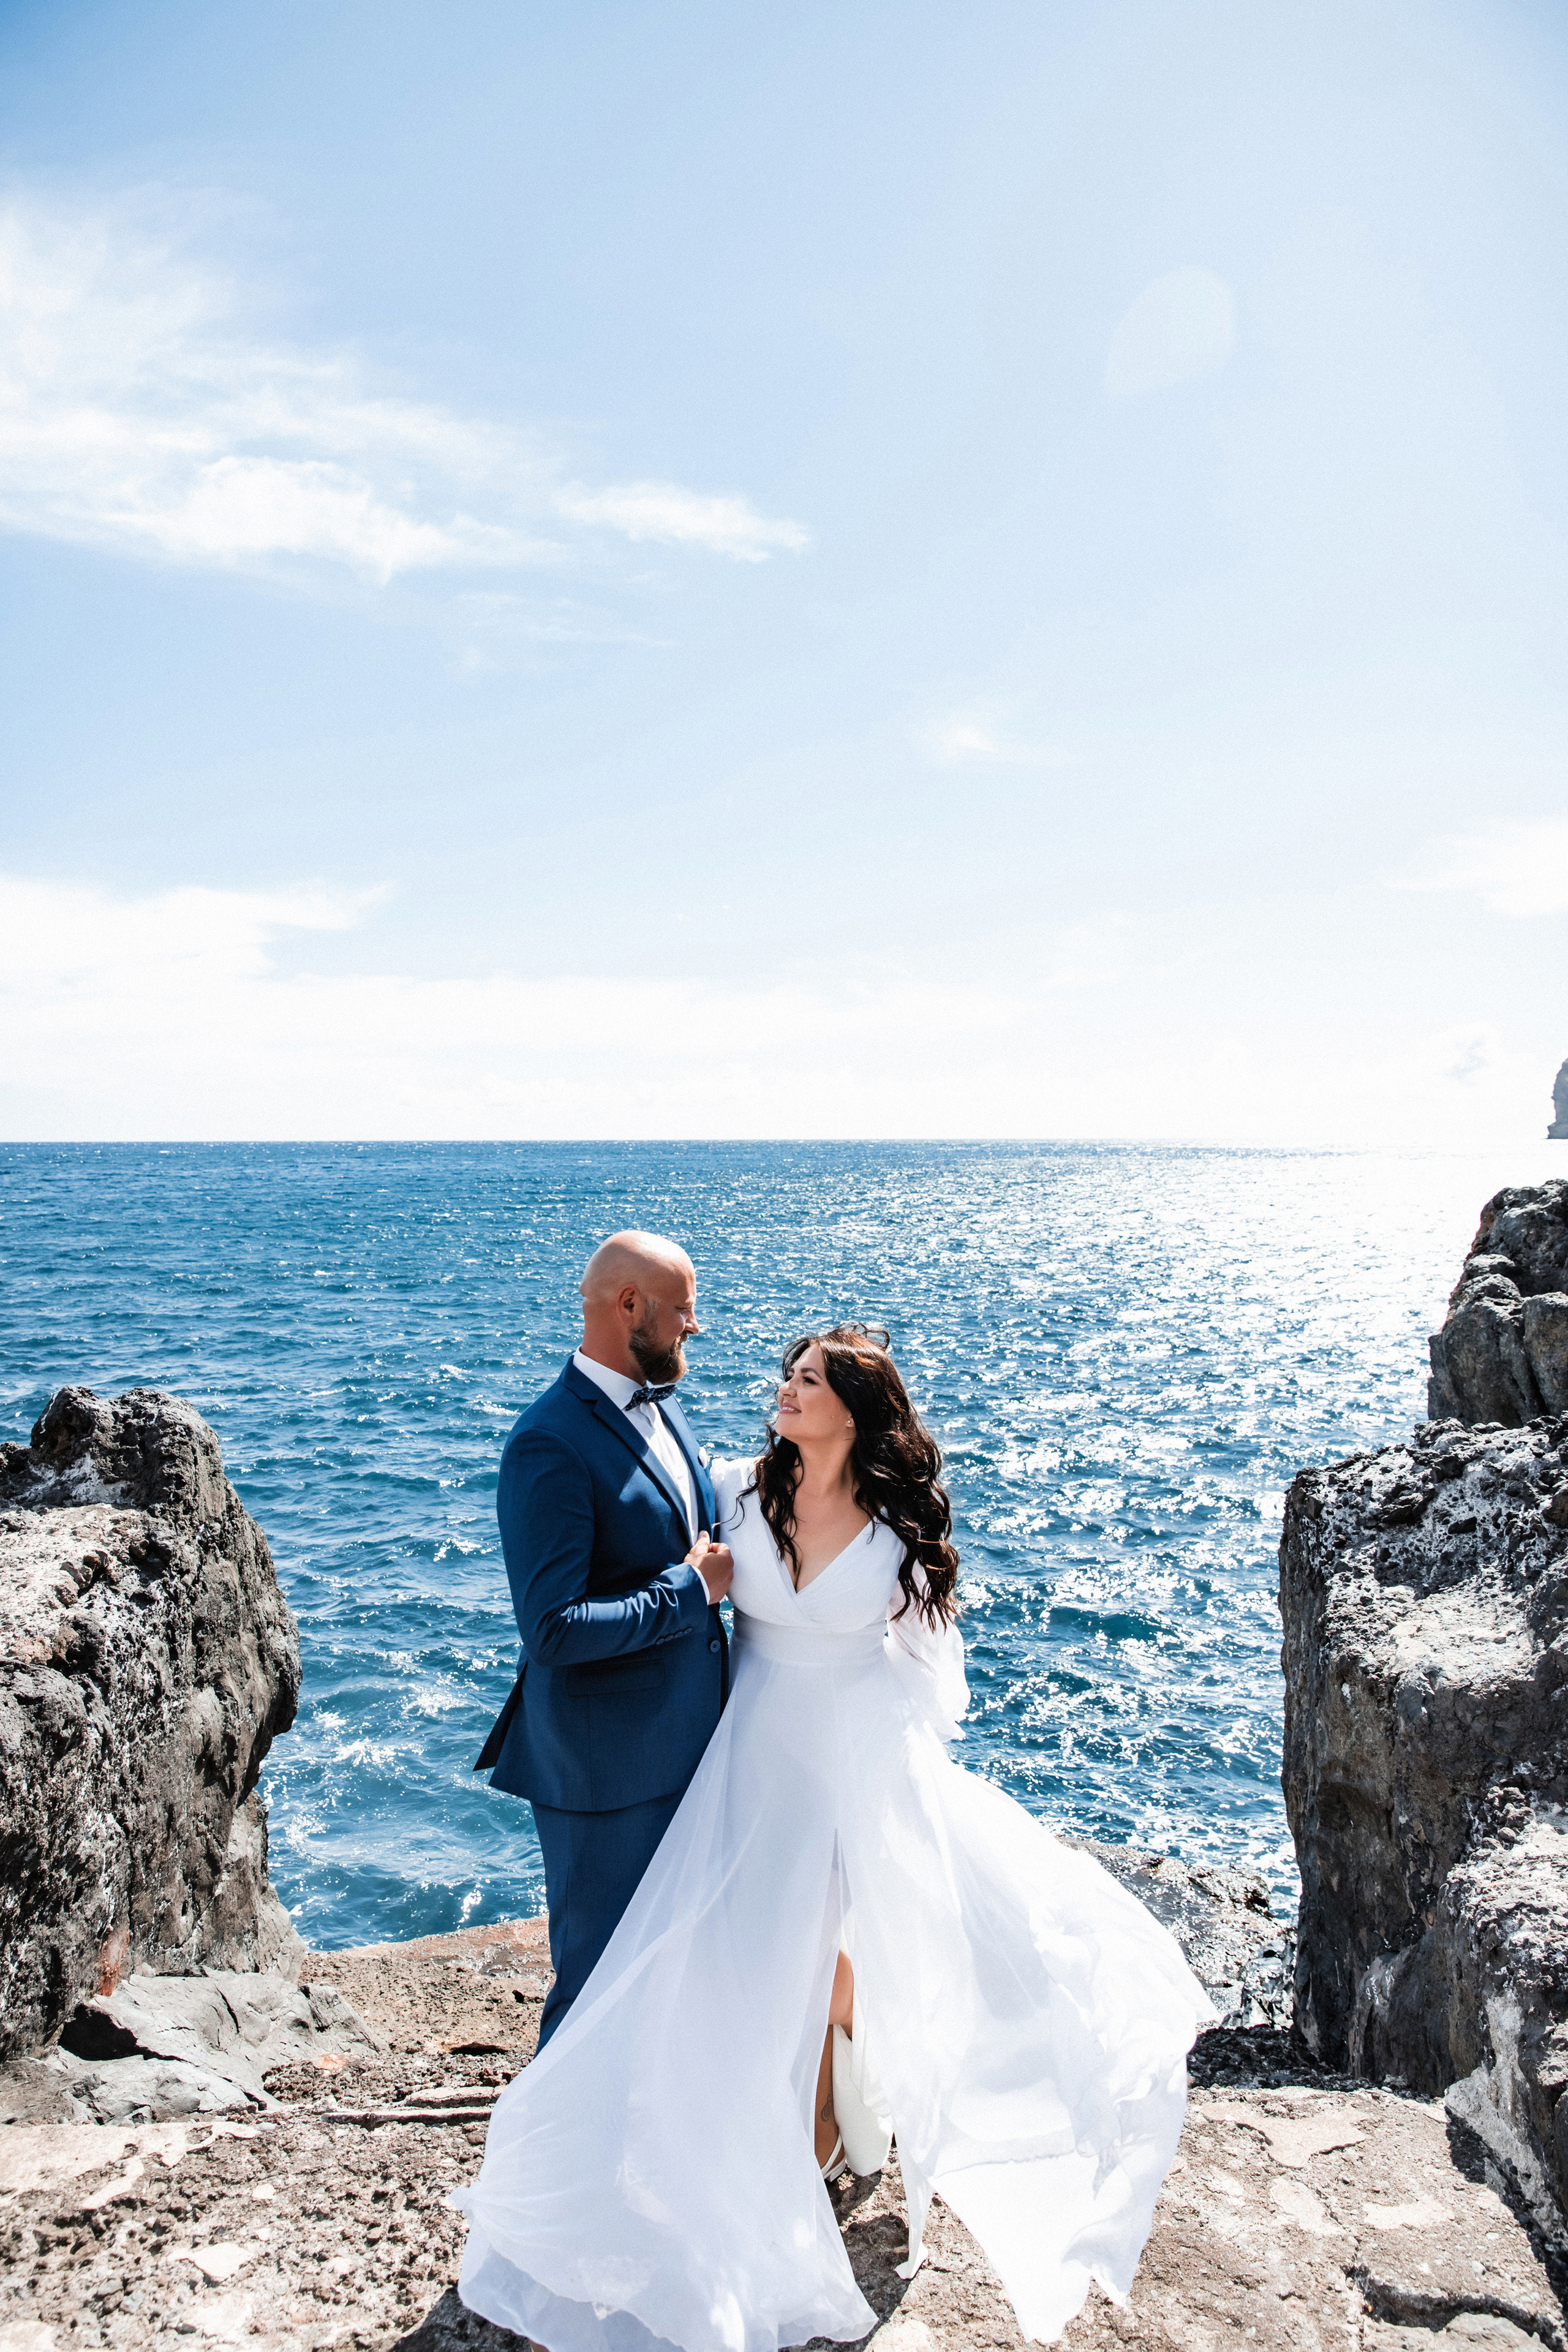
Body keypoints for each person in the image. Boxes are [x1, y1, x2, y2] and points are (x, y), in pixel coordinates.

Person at [459, 1324, 1214, 2348]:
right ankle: (766, 2146)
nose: (785, 1390)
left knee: (861, 1950)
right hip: (752, 1758)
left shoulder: (902, 1531)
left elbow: (929, 1671)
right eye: (789, 1376)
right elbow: (668, 1561)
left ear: (853, 1411)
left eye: (807, 1381)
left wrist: (901, 1774)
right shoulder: (738, 1489)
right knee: (748, 1961)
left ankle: (828, 2120)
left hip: (858, 1759)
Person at [472, 1230, 732, 2049]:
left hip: (690, 1747)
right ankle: (551, 2170)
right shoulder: (549, 1442)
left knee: (677, 1981)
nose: (696, 1326)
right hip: (607, 1774)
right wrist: (690, 1591)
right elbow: (553, 1631)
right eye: (684, 1310)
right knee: (597, 1992)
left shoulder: (664, 1407)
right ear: (630, 1307)